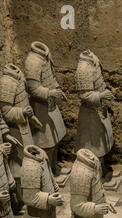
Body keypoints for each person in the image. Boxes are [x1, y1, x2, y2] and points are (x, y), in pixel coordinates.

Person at [24, 41, 70, 183]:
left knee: (55, 140)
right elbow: (34, 89)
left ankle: (54, 167)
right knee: (47, 143)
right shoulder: (32, 61)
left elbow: (51, 78)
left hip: (51, 105)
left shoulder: (46, 55)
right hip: (41, 108)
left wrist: (56, 89)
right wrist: (51, 92)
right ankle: (47, 173)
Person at [75, 49, 119, 189]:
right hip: (90, 114)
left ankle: (103, 169)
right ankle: (96, 179)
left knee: (101, 144)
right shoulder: (83, 68)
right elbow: (84, 95)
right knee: (95, 147)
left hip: (99, 110)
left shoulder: (93, 59)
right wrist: (100, 96)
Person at [0, 63, 40, 215]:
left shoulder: (18, 76)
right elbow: (5, 111)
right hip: (15, 130)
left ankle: (26, 196)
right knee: (16, 169)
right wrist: (22, 112)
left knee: (26, 163)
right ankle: (17, 203)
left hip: (22, 129)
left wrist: (31, 117)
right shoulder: (6, 82)